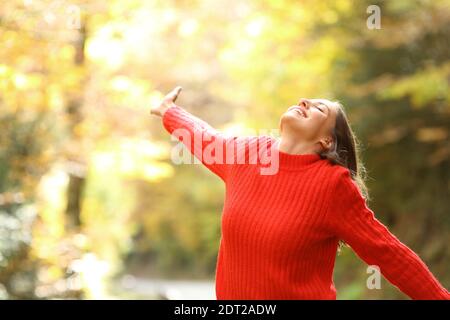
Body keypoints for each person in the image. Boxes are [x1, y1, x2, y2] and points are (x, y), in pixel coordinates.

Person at [150, 86, 450, 300]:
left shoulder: (333, 186)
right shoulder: (248, 153)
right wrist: (170, 112)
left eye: (319, 108)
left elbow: (389, 253)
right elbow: (206, 139)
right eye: (307, 100)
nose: (304, 101)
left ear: (326, 141)